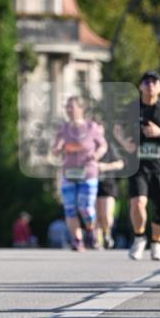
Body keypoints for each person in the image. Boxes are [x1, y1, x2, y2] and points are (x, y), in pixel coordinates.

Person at [121, 71, 160, 261]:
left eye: (155, 81)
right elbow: (116, 129)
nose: (150, 85)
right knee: (138, 202)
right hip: (138, 165)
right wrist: (125, 142)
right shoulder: (132, 108)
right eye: (146, 81)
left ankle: (156, 243)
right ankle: (139, 238)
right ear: (140, 87)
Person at [51, 96, 107, 251]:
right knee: (70, 208)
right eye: (67, 107)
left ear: (81, 109)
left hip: (88, 172)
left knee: (86, 207)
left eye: (72, 107)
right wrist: (56, 149)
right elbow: (55, 147)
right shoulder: (63, 128)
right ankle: (77, 240)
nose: (69, 110)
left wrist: (97, 154)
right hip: (69, 173)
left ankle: (90, 230)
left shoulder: (91, 127)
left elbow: (103, 145)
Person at [95, 129, 126, 249]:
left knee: (106, 215)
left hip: (108, 184)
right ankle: (98, 241)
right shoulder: (88, 146)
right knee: (96, 215)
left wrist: (104, 167)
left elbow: (120, 163)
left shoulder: (109, 146)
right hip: (92, 184)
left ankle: (107, 233)